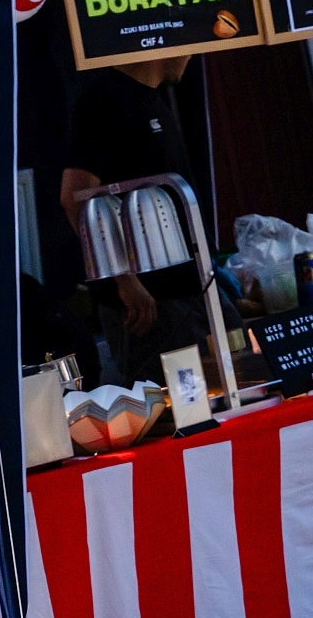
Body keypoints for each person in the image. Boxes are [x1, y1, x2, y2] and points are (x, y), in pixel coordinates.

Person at [60, 57, 212, 387]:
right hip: (148, 307)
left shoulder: (155, 97)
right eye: (189, 46)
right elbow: (75, 196)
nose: (192, 55)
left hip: (188, 292)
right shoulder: (103, 100)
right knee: (171, 415)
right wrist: (125, 281)